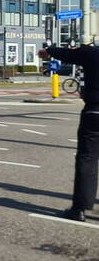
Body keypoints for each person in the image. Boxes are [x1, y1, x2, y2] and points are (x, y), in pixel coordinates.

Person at [38, 44, 99, 222]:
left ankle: (79, 208)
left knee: (87, 158)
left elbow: (67, 53)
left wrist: (49, 50)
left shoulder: (92, 53)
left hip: (94, 112)